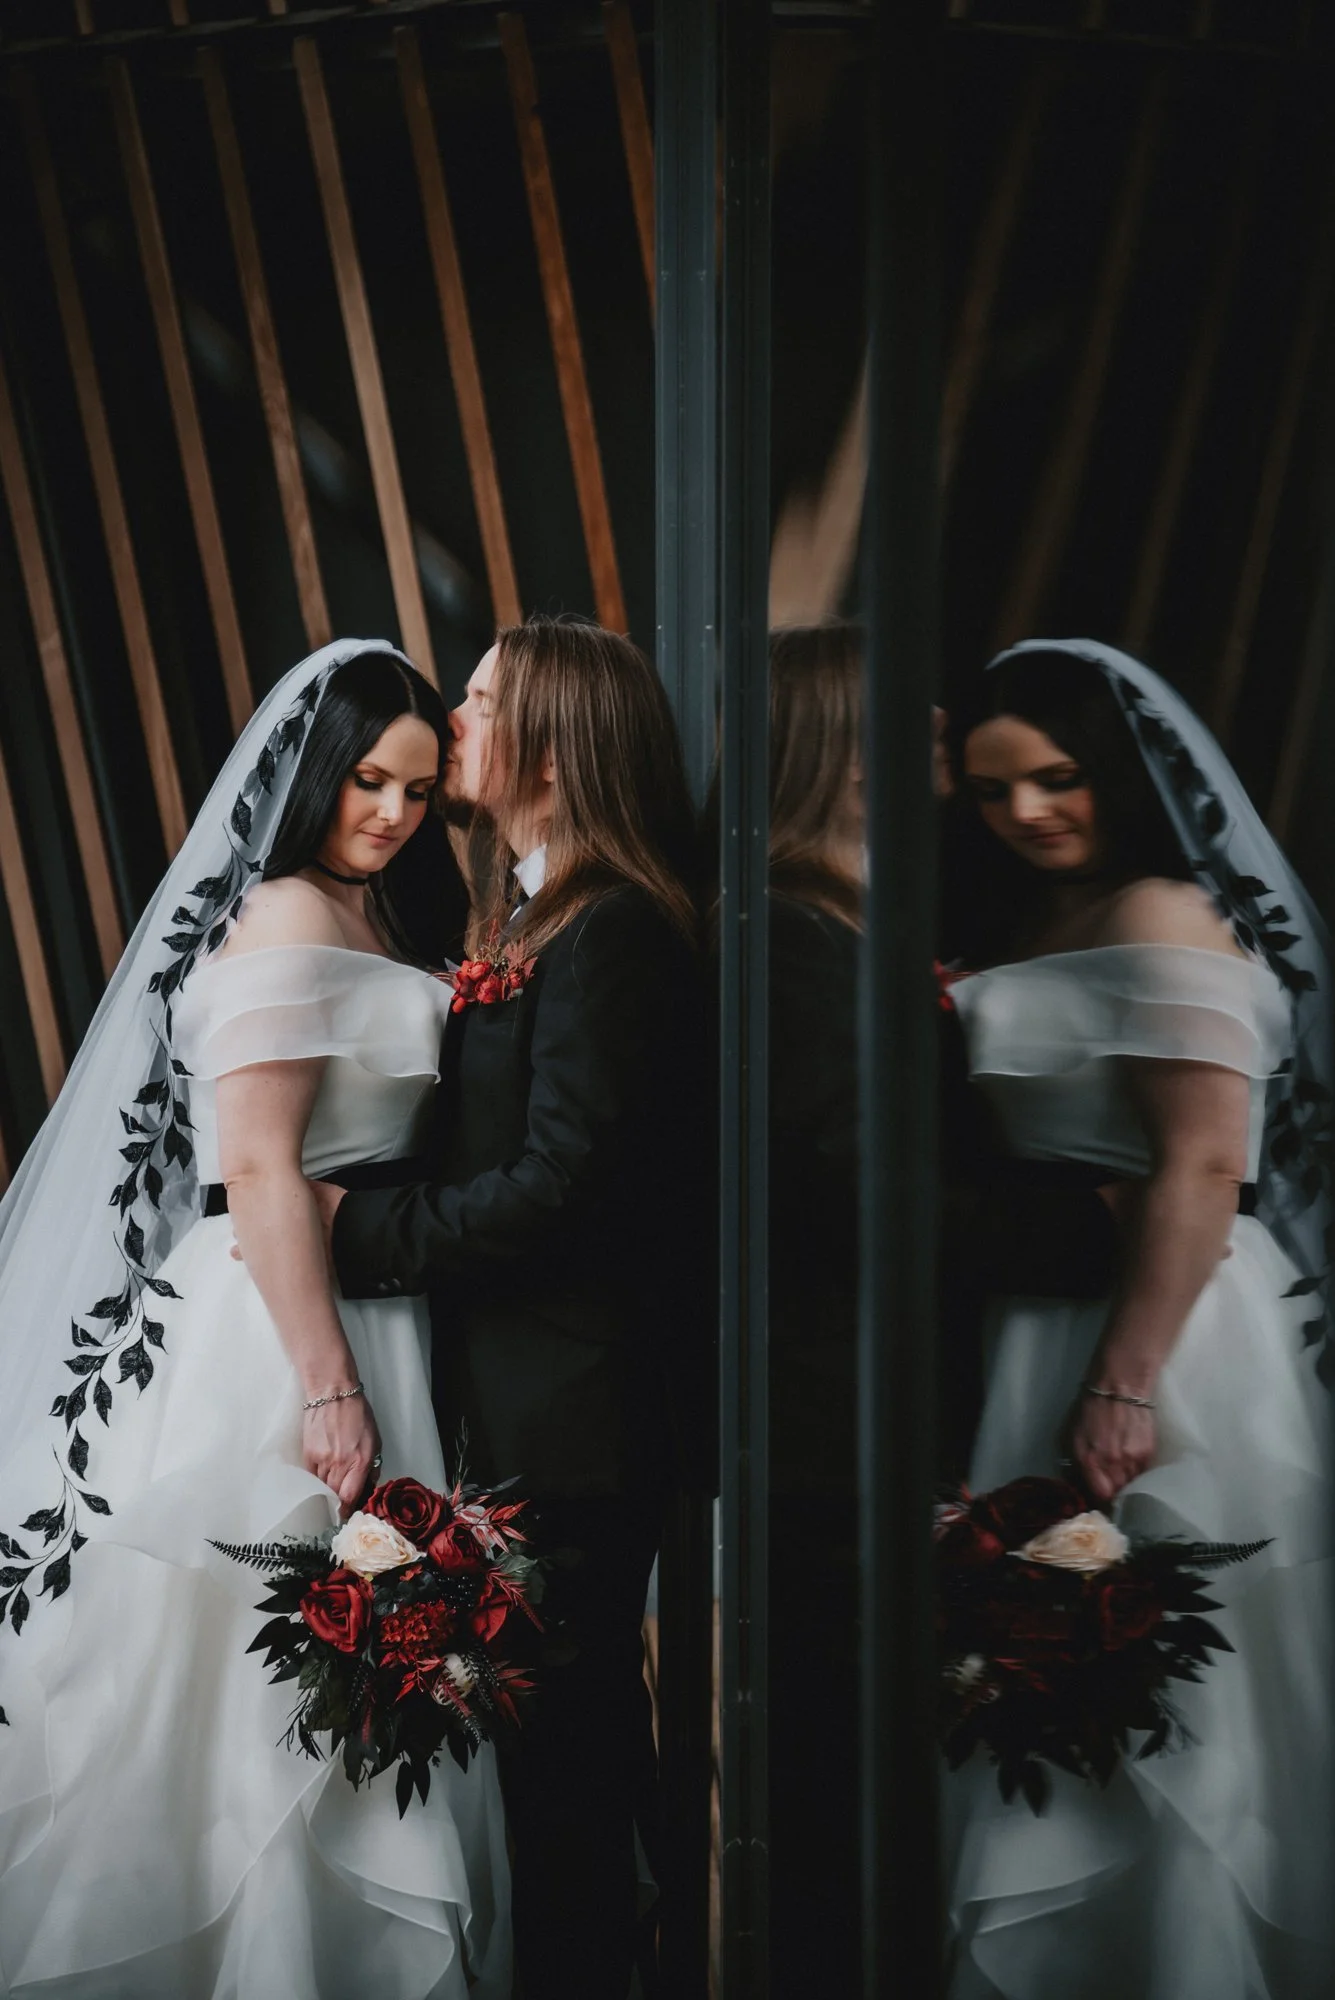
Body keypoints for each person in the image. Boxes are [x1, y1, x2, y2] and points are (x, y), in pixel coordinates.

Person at [0, 641, 510, 1999]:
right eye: (364, 782)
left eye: (416, 789)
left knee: (349, 1663)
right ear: (309, 777)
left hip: (362, 1317)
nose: (392, 814)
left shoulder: (369, 918)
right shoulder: (287, 916)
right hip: (278, 1329)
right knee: (245, 1677)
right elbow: (264, 1165)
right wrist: (331, 1387)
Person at [316, 614, 709, 2000]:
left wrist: (364, 1230)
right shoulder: (531, 912)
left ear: (554, 735)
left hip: (578, 1418)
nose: (455, 725)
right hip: (518, 1400)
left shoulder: (614, 929)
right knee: (558, 1751)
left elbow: (564, 1184)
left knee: (574, 1753)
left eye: (481, 704)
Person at [943, 639, 1332, 2000]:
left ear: (1118, 775)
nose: (1028, 813)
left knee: (1168, 1669)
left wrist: (1121, 1382)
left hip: (1162, 1332)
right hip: (1041, 1323)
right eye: (992, 792)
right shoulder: (1050, 914)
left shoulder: (1165, 911)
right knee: (1048, 1659)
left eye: (1056, 780)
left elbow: (1202, 1163)